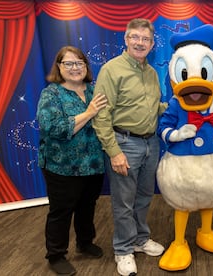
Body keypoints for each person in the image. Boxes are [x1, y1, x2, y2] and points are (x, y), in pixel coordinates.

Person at [92, 18, 167, 276]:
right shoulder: (111, 70)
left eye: (145, 39)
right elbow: (101, 115)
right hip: (124, 143)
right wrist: (114, 152)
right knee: (123, 202)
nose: (140, 42)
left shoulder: (152, 73)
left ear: (152, 43)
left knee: (144, 197)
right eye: (134, 37)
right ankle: (123, 249)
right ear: (126, 40)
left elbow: (155, 107)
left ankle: (139, 239)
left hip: (151, 143)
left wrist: (182, 108)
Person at [37, 45, 108, 275]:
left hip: (94, 163)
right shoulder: (51, 93)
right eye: (68, 63)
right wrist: (88, 113)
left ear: (86, 66)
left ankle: (85, 242)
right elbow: (52, 127)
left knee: (87, 206)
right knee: (61, 210)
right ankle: (56, 254)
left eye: (79, 63)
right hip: (61, 166)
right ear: (59, 67)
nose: (75, 68)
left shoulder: (94, 90)